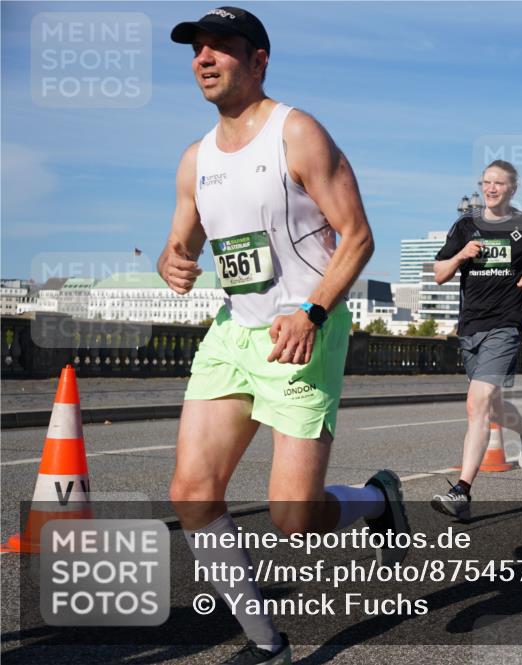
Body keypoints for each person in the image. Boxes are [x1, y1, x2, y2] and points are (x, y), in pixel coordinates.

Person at [162, 8, 408, 663]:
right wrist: (173, 262)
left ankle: (377, 501)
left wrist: (312, 312)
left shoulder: (297, 134)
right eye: (196, 50)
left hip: (305, 333)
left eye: (221, 48)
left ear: (260, 59)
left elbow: (358, 237)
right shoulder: (196, 159)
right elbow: (180, 243)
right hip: (232, 337)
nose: (204, 59)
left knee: (293, 517)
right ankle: (266, 642)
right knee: (191, 491)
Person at [429, 160, 522, 521]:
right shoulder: (465, 225)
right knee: (491, 406)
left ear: (512, 188)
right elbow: (439, 273)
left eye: (498, 183)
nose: (491, 188)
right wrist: (461, 254)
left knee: (478, 403)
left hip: (507, 324)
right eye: (486, 182)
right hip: (471, 326)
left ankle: (462, 491)